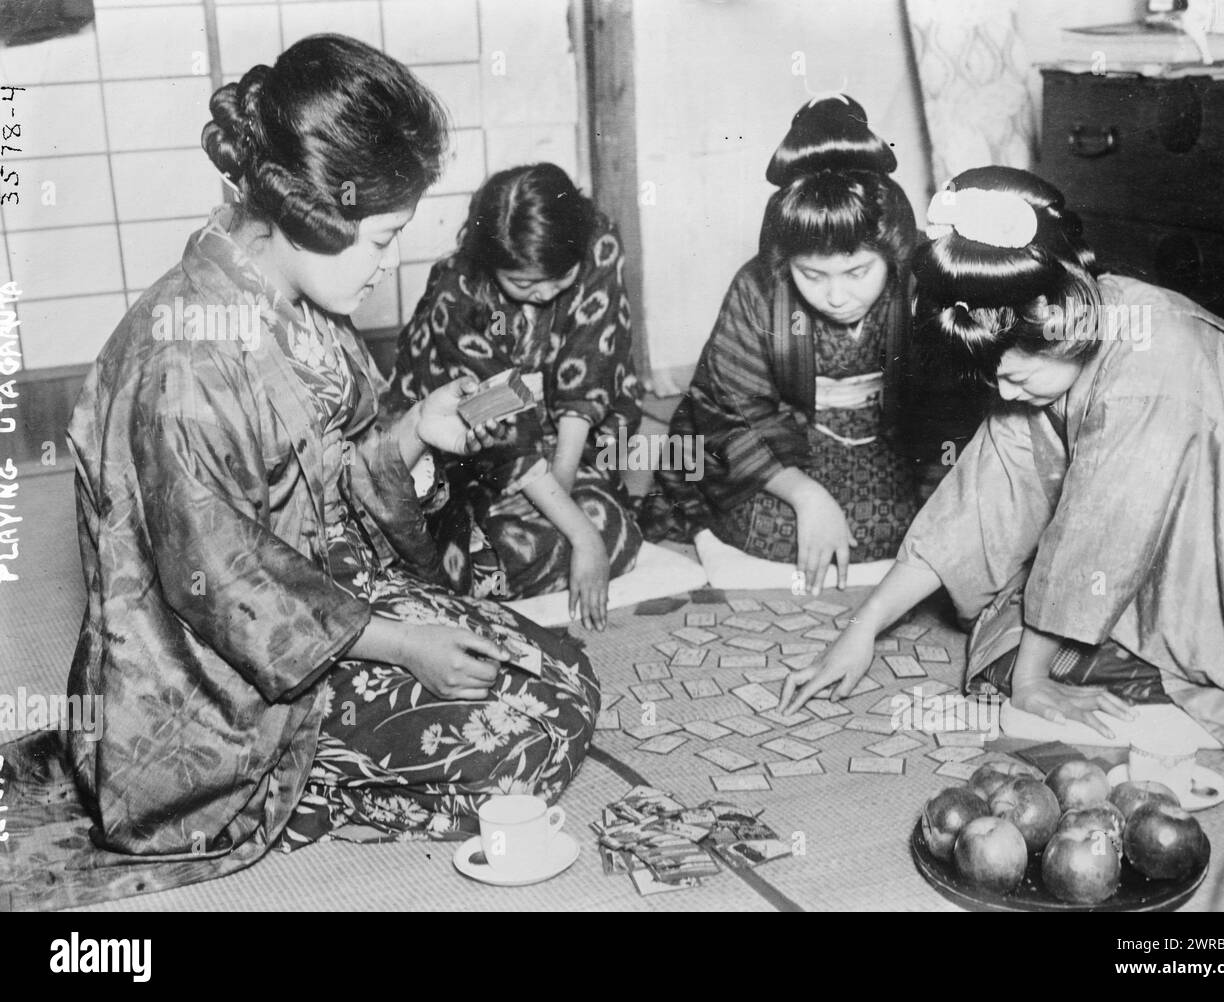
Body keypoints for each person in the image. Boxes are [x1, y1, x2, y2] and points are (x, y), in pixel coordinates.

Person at [0, 35, 600, 910]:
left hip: (327, 603)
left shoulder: (292, 295)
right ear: (315, 214)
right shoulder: (185, 361)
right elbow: (226, 584)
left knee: (565, 673)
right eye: (384, 238)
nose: (390, 263)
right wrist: (402, 643)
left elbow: (337, 475)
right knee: (526, 739)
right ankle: (283, 799)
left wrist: (415, 436)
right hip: (218, 689)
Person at [782, 165, 1224, 788]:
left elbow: (1096, 539)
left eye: (1016, 377)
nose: (1002, 392)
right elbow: (979, 500)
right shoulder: (1049, 340)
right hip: (1148, 539)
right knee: (1007, 645)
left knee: (1036, 665)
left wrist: (1031, 681)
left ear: (1060, 316)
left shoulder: (1153, 364)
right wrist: (861, 629)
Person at [642, 95, 936, 597]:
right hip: (786, 440)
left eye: (858, 272)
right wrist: (805, 496)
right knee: (772, 526)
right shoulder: (758, 289)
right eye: (812, 274)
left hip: (893, 435)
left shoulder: (923, 281)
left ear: (893, 249)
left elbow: (949, 408)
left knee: (927, 522)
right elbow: (728, 412)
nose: (837, 295)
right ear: (785, 261)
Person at [389, 163, 643, 630]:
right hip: (467, 459)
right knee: (459, 556)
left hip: (553, 444)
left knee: (615, 526)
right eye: (523, 284)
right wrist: (582, 537)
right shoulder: (459, 294)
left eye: (559, 279)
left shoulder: (598, 244)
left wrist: (563, 489)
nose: (544, 293)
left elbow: (590, 372)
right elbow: (505, 433)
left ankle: (552, 524)